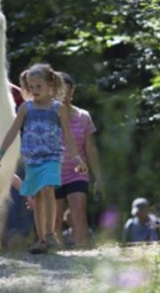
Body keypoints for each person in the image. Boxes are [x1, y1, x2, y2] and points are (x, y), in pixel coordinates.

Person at [0, 63, 87, 254]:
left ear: (50, 86)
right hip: (32, 159)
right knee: (37, 197)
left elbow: (67, 135)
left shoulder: (57, 108)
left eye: (39, 86)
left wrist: (77, 158)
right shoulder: (25, 108)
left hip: (52, 157)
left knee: (47, 188)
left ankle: (50, 233)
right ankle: (41, 238)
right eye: (31, 87)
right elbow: (12, 131)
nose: (35, 90)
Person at [54, 72, 103, 248]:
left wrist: (98, 177)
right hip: (53, 174)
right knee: (56, 218)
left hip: (77, 173)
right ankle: (57, 258)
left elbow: (91, 149)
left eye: (67, 92)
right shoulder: (48, 117)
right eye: (60, 92)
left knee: (79, 214)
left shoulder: (83, 116)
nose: (64, 96)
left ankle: (83, 253)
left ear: (73, 91)